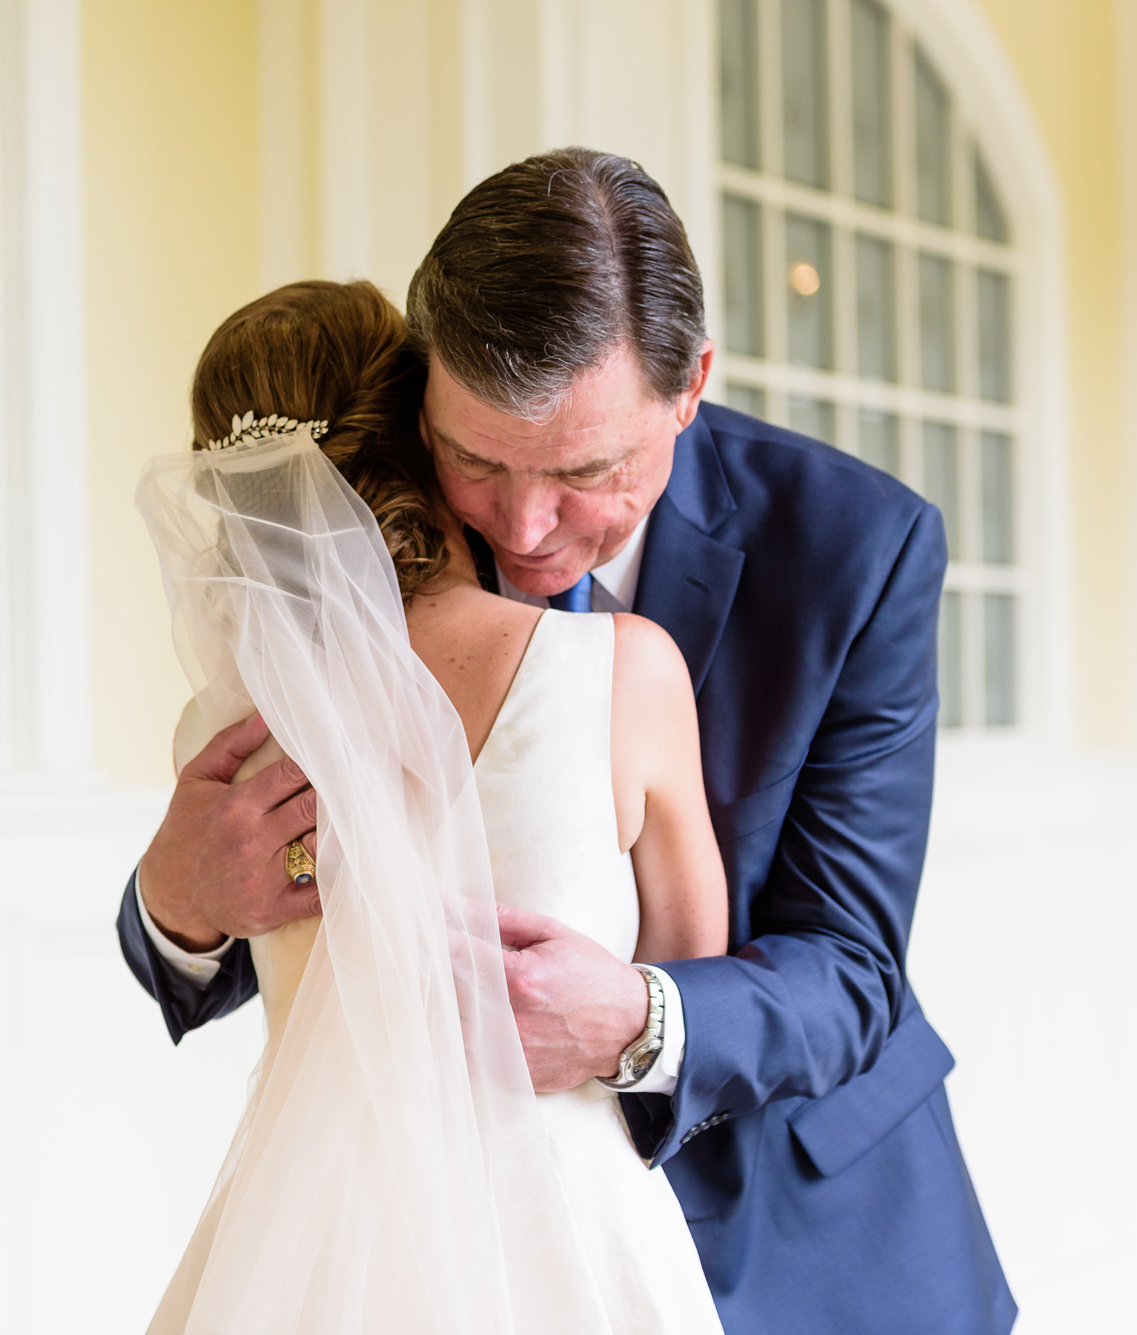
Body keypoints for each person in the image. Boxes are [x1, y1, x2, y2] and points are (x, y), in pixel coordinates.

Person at [119, 148, 1014, 1334]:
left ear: (687, 385)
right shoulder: (361, 549)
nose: (528, 528)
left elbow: (850, 968)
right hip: (447, 1260)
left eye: (587, 473)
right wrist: (175, 904)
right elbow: (323, 922)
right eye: (476, 462)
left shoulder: (856, 548)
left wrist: (637, 1021)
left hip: (806, 1233)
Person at [133, 278, 728, 1331]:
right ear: (423, 434)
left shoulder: (214, 729)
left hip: (299, 1247)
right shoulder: (615, 677)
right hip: (557, 1231)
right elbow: (690, 970)